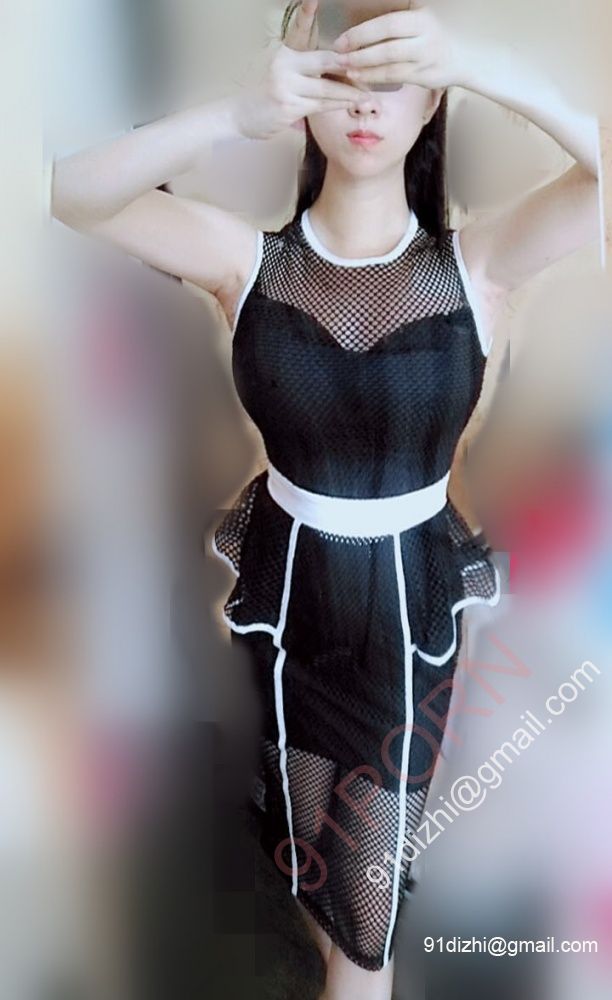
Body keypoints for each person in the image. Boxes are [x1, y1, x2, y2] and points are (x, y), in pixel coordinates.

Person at [50, 2, 600, 997]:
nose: (365, 102)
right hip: (286, 618)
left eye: (394, 75)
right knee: (316, 887)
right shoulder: (246, 262)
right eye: (341, 74)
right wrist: (236, 113)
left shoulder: (475, 267)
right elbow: (67, 192)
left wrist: (474, 59)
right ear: (304, 97)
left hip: (406, 635)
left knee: (365, 926)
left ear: (431, 103)